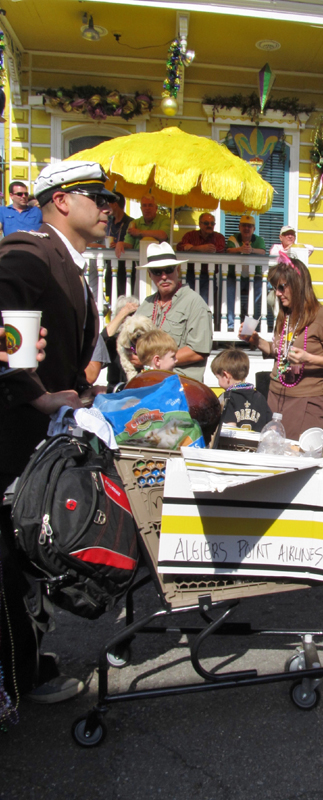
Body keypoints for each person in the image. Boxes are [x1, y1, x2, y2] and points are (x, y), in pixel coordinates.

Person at [0, 159, 114, 703]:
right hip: (13, 441)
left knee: (30, 560)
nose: (109, 207)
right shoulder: (29, 248)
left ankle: (28, 668)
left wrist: (83, 394)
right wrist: (34, 393)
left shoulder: (64, 260)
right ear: (62, 201)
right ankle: (19, 680)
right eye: (98, 195)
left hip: (39, 443)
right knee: (13, 569)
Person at [239, 253, 323, 440]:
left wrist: (308, 358)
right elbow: (278, 352)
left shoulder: (322, 316)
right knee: (273, 450)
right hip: (276, 395)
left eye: (282, 287)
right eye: (275, 288)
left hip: (307, 399)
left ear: (298, 286)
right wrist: (255, 340)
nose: (277, 293)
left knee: (298, 453)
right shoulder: (285, 315)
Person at [136, 242, 213, 383]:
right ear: (150, 274)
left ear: (178, 270)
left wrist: (154, 361)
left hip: (182, 387)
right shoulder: (146, 305)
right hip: (148, 384)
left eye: (169, 269)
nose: (164, 276)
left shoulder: (194, 303)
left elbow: (198, 351)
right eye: (157, 272)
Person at [211, 349, 272, 432]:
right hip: (256, 444)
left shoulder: (227, 398)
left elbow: (229, 429)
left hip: (234, 444)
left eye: (218, 378)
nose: (218, 382)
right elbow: (272, 427)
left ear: (226, 375)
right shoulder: (260, 397)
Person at [226, 215, 266, 331]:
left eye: (250, 226)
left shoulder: (258, 240)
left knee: (262, 286)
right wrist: (240, 249)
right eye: (244, 225)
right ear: (239, 227)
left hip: (253, 278)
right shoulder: (233, 238)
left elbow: (263, 251)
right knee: (228, 289)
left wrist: (251, 250)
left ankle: (247, 316)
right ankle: (230, 324)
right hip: (234, 276)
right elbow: (228, 250)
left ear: (254, 229)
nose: (247, 228)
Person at [176, 212, 226, 304]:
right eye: (206, 223)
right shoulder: (190, 235)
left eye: (212, 223)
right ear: (200, 224)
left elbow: (220, 250)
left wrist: (192, 248)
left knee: (203, 302)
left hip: (209, 276)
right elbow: (180, 247)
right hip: (190, 274)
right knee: (188, 301)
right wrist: (200, 248)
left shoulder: (218, 237)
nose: (209, 225)